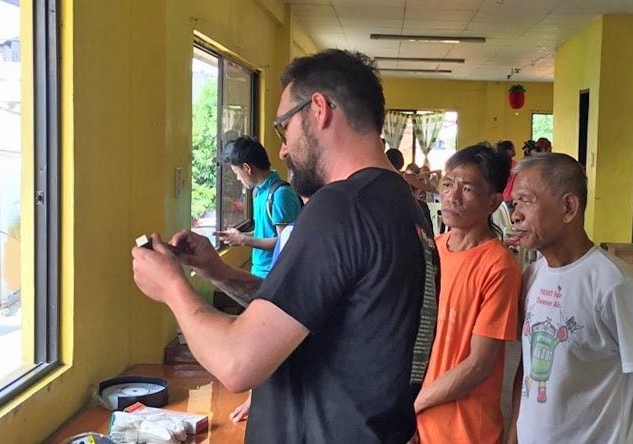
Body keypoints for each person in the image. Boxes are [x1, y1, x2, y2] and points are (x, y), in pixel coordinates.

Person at [132, 49, 439, 444]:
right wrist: (216, 270)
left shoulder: (341, 205)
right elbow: (302, 312)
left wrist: (173, 287)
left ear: (319, 109)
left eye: (284, 127)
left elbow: (237, 363)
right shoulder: (406, 208)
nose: (282, 149)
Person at [507, 153, 633, 444]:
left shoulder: (613, 283)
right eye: (515, 203)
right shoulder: (533, 276)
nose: (516, 214)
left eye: (527, 201)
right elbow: (527, 369)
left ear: (568, 207)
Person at [412, 145, 521, 444]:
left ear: (493, 202)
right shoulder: (431, 248)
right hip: (418, 425)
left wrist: (414, 407)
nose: (452, 197)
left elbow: (478, 365)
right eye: (448, 185)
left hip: (465, 431)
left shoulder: (499, 266)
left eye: (468, 189)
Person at [214, 136, 301, 279]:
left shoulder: (280, 195)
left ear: (247, 168)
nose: (237, 178)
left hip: (274, 276)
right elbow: (265, 233)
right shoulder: (258, 192)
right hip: (259, 272)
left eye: (236, 173)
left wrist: (243, 240)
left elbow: (285, 243)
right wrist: (239, 236)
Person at [496, 140, 516, 211]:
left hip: (501, 198)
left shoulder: (497, 165)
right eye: (512, 148)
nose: (514, 150)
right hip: (511, 198)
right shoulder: (515, 165)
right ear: (508, 151)